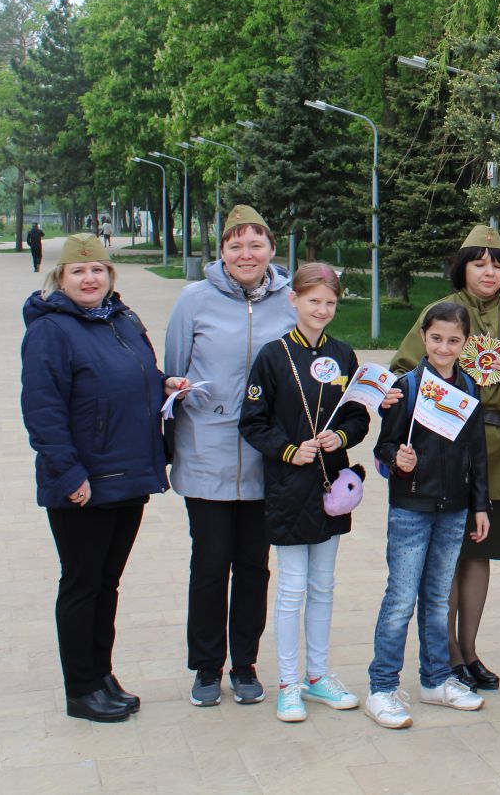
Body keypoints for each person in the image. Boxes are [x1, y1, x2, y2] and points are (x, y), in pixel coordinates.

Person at [21, 234, 186, 722]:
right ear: (60, 279)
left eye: (97, 271)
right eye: (78, 271)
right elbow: (43, 411)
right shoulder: (50, 331)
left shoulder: (123, 319)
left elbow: (136, 375)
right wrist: (69, 474)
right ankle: (81, 688)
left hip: (128, 474)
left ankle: (102, 674)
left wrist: (164, 384)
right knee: (81, 583)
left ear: (110, 277)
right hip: (85, 483)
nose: (89, 279)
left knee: (106, 583)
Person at [389, 224, 500, 692]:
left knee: (478, 555)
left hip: (499, 450)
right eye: (479, 262)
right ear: (463, 267)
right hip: (443, 449)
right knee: (445, 559)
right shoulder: (442, 313)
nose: (489, 271)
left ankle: (469, 651)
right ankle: (444, 654)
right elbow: (401, 372)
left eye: (496, 263)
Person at [164, 205, 297, 708]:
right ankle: (205, 667)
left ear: (270, 250)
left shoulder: (288, 301)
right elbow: (173, 368)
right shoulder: (193, 300)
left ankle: (245, 664)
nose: (246, 254)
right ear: (222, 250)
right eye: (236, 244)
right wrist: (174, 388)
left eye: (256, 244)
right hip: (207, 454)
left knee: (255, 567)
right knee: (210, 564)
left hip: (266, 456)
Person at [240, 263, 374, 723]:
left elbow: (358, 414)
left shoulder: (343, 354)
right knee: (293, 588)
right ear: (293, 300)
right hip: (287, 486)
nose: (322, 309)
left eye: (330, 302)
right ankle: (288, 683)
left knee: (324, 585)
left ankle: (318, 676)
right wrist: (289, 450)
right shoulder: (272, 356)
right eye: (313, 300)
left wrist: (344, 438)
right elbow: (252, 423)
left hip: (332, 486)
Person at [365, 302, 492, 728]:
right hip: (411, 509)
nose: (444, 346)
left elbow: (477, 454)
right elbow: (384, 446)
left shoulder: (470, 389)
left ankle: (436, 679)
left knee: (438, 600)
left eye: (453, 340)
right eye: (436, 338)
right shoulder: (406, 387)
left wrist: (480, 505)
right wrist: (397, 457)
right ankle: (382, 687)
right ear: (423, 337)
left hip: (454, 509)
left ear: (465, 343)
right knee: (401, 599)